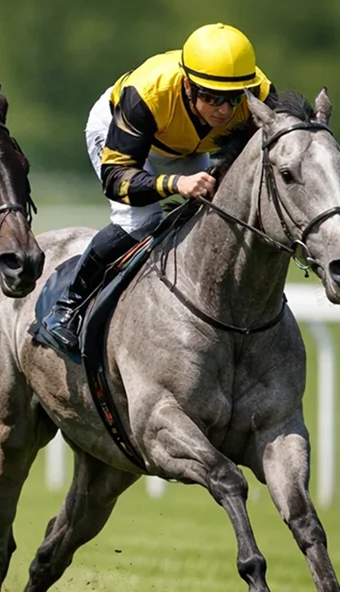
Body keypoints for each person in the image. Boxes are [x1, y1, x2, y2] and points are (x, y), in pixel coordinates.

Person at [35, 22, 274, 359]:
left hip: (188, 147)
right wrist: (175, 184)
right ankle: (66, 308)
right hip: (125, 139)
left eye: (233, 99)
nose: (223, 110)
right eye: (211, 97)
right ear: (188, 86)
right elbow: (117, 180)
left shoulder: (259, 93)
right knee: (140, 221)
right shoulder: (146, 93)